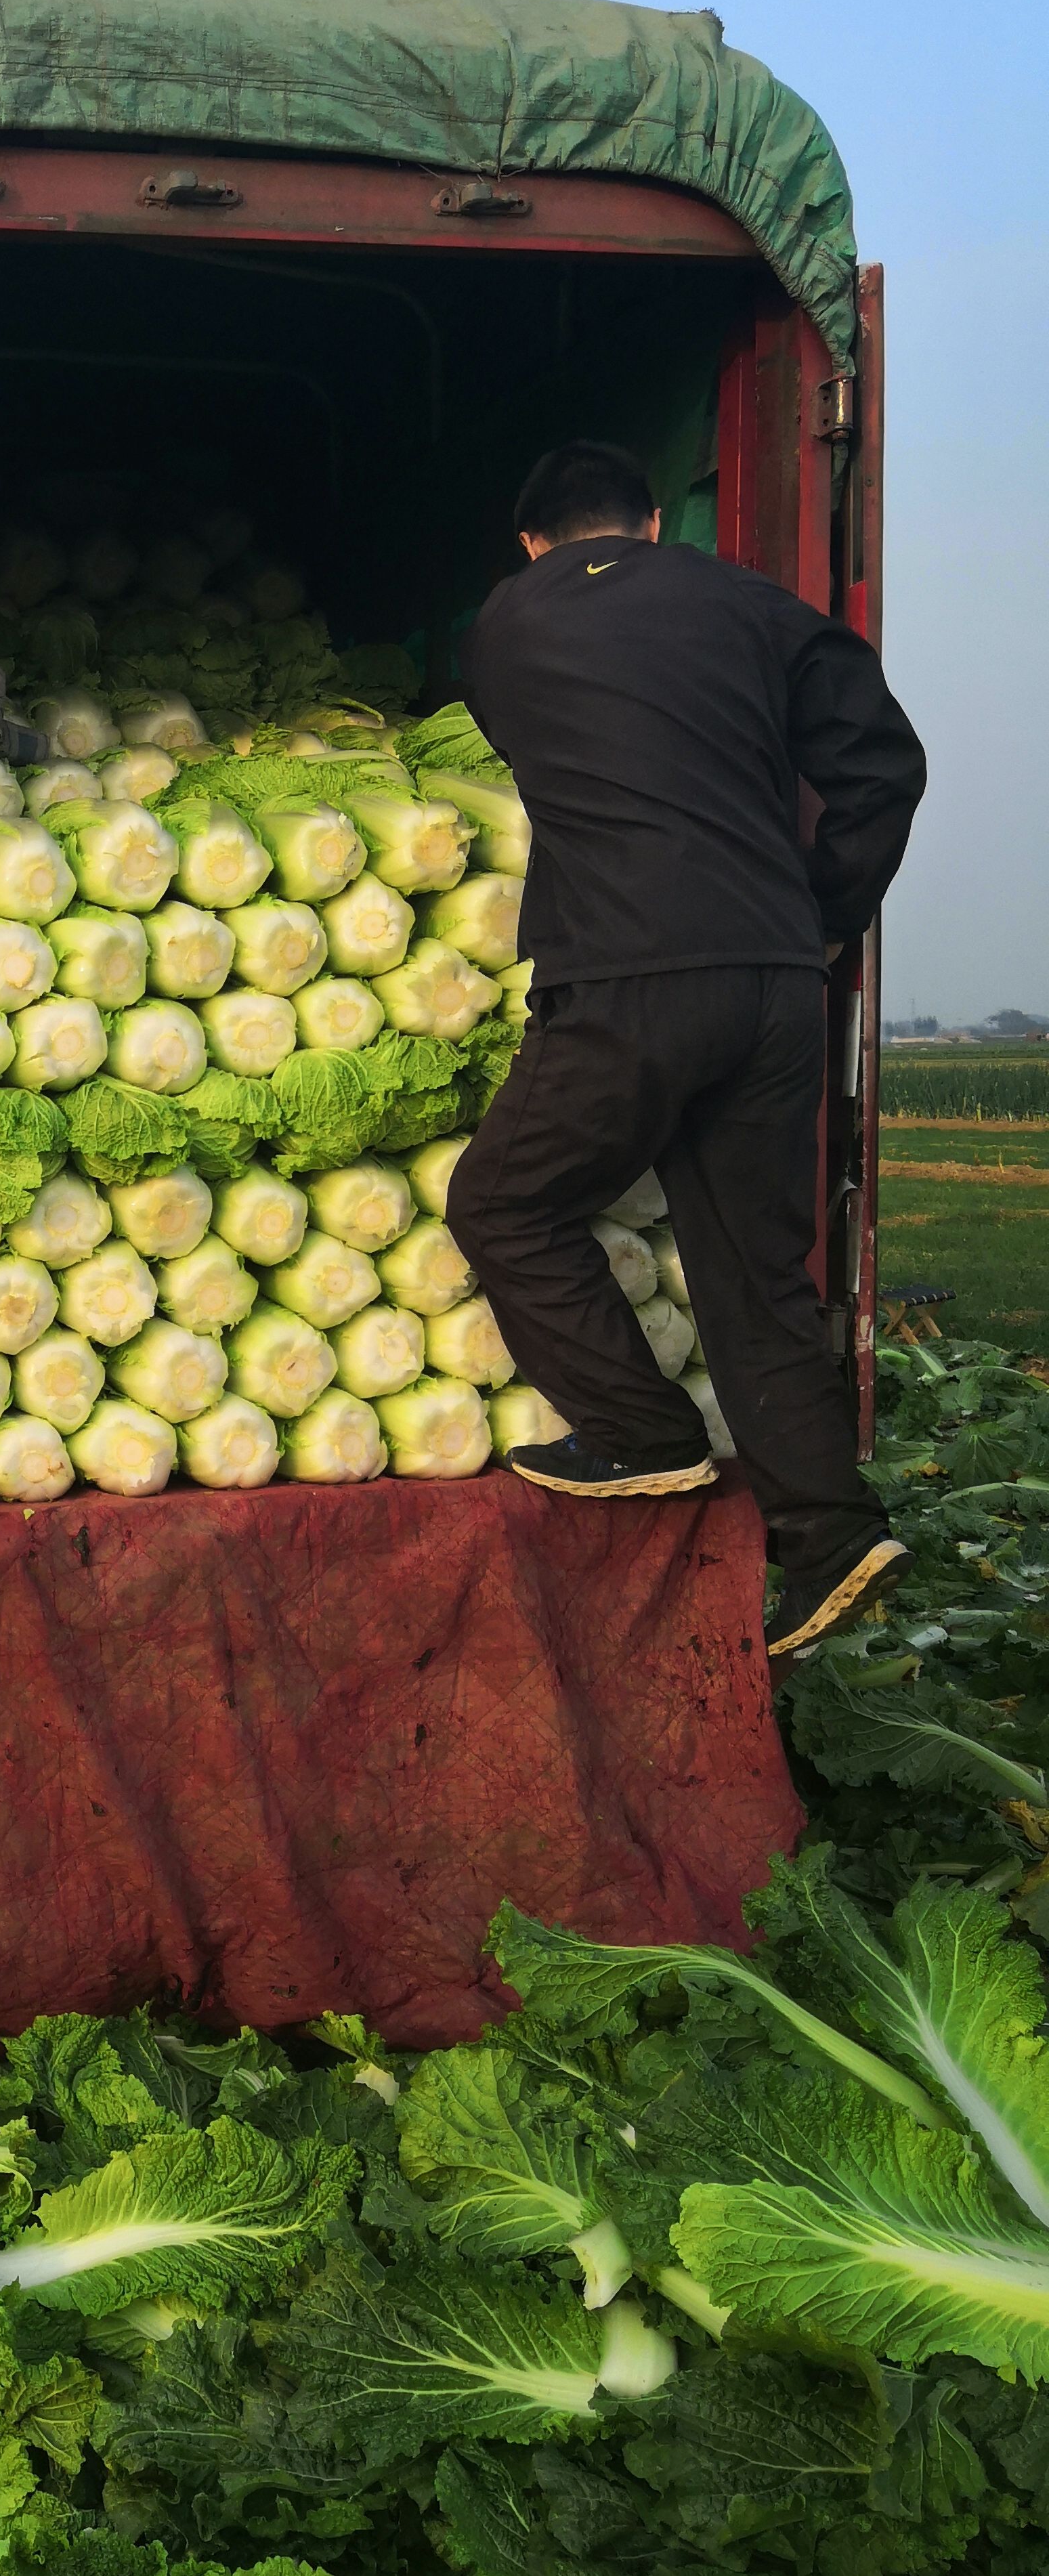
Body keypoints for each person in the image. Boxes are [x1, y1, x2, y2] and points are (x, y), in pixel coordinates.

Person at [448, 439, 928, 1662]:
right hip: (773, 979)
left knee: (504, 1201)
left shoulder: (502, 627)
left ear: (529, 541)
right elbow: (882, 763)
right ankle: (831, 1532)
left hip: (624, 976)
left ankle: (640, 1433)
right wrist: (822, 911)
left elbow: (561, 762)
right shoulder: (755, 605)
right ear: (656, 522)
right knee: (754, 1271)